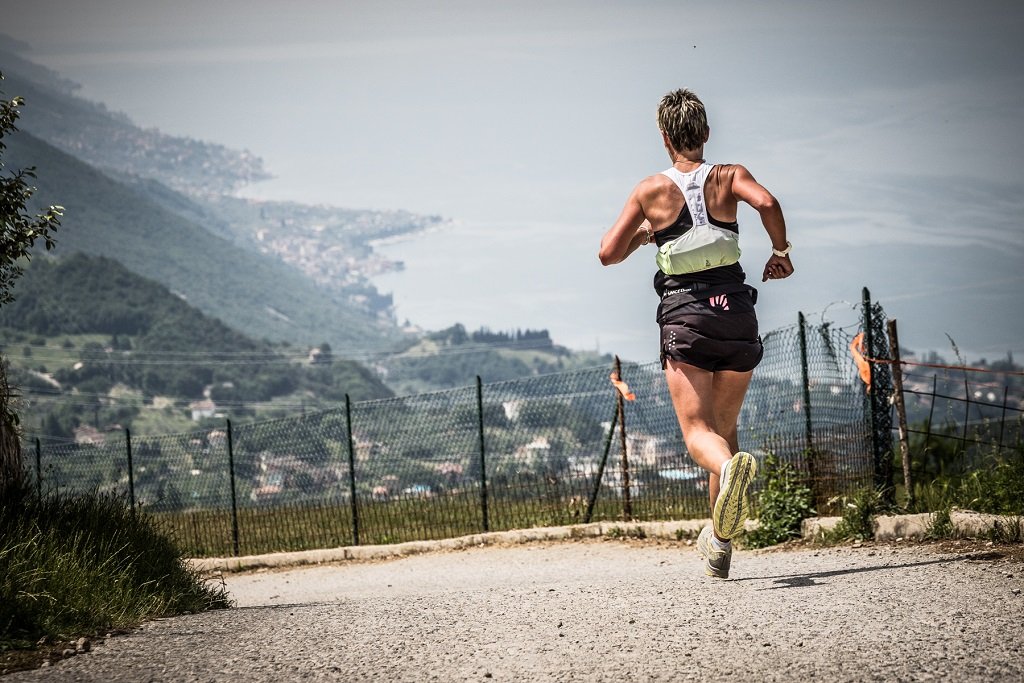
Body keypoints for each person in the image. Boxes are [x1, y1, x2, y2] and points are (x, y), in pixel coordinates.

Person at [598, 88, 793, 578]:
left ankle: (728, 472)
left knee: (700, 435)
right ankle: (720, 546)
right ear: (705, 132)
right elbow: (767, 202)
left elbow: (607, 253)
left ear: (664, 138)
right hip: (735, 312)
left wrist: (648, 234)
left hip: (686, 315)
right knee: (724, 433)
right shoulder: (730, 175)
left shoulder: (650, 190)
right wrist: (781, 252)